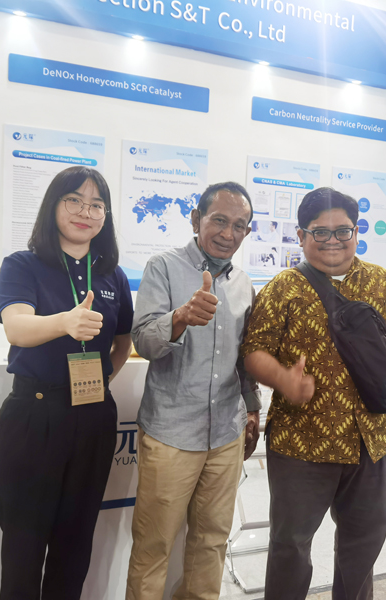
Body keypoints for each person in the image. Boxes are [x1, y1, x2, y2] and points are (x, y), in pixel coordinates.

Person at [241, 187, 386, 600]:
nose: (333, 241)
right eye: (320, 232)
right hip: (302, 442)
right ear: (301, 236)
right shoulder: (283, 287)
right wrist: (283, 379)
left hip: (371, 439)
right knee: (290, 544)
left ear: (356, 232)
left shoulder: (382, 282)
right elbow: (254, 351)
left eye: (343, 231)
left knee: (364, 541)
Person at [0, 166, 133, 600]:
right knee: (24, 547)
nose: (85, 212)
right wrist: (64, 322)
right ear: (53, 205)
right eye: (74, 200)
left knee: (75, 545)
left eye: (96, 205)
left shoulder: (112, 275)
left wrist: (100, 380)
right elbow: (16, 328)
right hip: (35, 415)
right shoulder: (23, 265)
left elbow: (123, 341)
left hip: (93, 418)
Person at [126, 181, 262, 600]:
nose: (228, 233)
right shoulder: (163, 267)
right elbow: (143, 341)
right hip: (171, 433)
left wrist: (252, 408)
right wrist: (181, 317)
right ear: (196, 219)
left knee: (211, 544)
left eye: (239, 226)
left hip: (225, 433)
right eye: (219, 220)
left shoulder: (244, 283)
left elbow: (244, 356)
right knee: (153, 547)